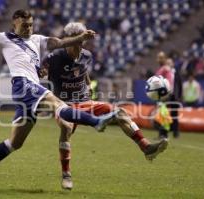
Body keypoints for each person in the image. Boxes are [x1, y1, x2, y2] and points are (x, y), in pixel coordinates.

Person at [0, 9, 118, 191]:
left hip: (28, 90)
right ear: (14, 24)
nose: (29, 28)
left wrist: (80, 38)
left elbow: (60, 43)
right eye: (25, 25)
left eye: (31, 25)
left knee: (15, 142)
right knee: (57, 104)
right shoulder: (3, 38)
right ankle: (96, 122)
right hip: (23, 84)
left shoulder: (38, 40)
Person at [41, 22, 169, 190]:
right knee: (66, 128)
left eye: (83, 41)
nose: (82, 44)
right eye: (79, 40)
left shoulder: (86, 55)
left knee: (120, 112)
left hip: (85, 101)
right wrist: (41, 75)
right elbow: (40, 71)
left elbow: (83, 70)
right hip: (64, 105)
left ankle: (146, 147)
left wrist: (87, 85)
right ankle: (66, 174)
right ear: (70, 39)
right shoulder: (55, 56)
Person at [156, 53, 180, 138]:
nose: (169, 64)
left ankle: (174, 132)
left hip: (173, 95)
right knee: (164, 113)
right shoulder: (165, 70)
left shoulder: (173, 72)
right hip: (166, 95)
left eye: (170, 62)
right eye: (168, 62)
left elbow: (178, 85)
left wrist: (179, 96)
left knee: (173, 114)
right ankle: (163, 133)